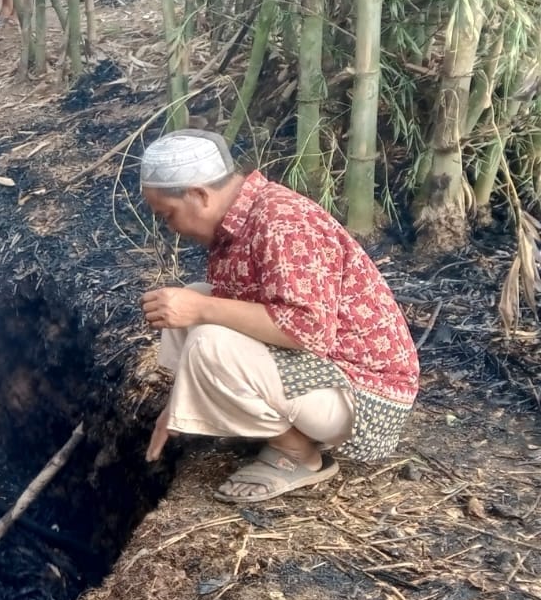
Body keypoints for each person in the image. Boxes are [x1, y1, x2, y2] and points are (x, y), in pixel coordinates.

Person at [138, 130, 420, 503]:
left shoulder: (282, 221)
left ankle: (298, 455)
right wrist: (179, 401)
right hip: (325, 371)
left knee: (208, 336)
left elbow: (307, 330)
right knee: (192, 300)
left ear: (199, 195)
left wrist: (203, 311)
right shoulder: (240, 220)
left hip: (363, 397)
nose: (170, 228)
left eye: (167, 215)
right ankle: (239, 415)